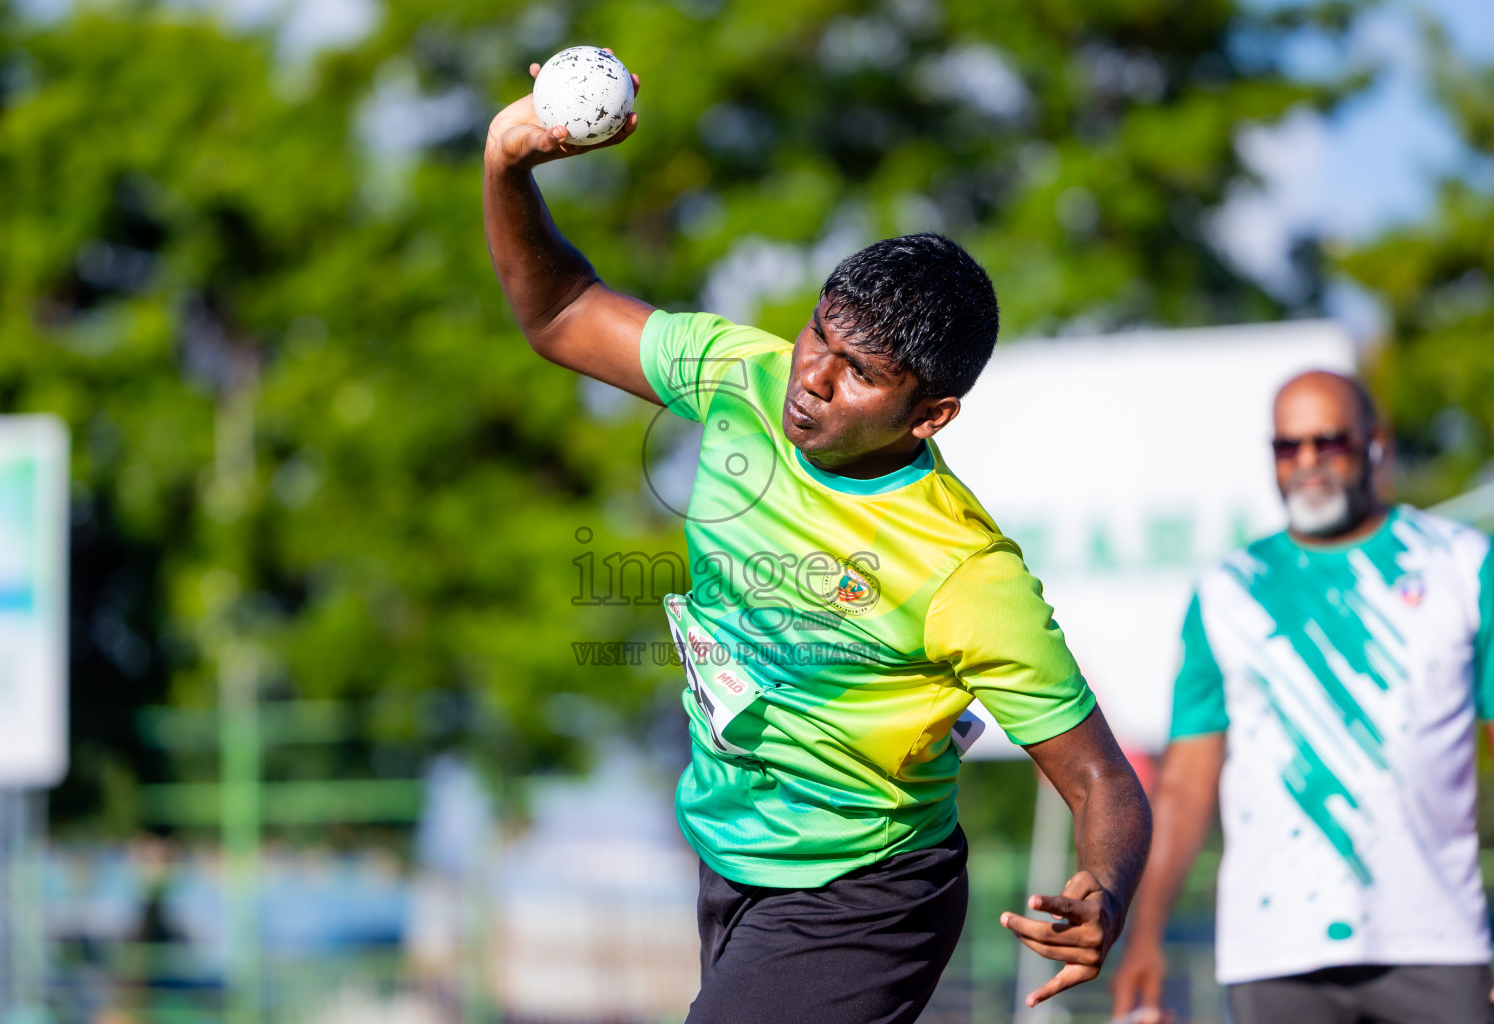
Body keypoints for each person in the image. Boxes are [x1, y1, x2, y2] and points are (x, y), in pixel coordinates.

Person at [484, 58, 1151, 1024]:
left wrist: (1105, 890)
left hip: (871, 893)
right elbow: (557, 314)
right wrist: (508, 165)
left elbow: (1100, 778)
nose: (814, 378)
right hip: (732, 855)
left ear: (932, 415)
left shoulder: (963, 570)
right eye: (817, 336)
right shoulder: (739, 377)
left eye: (860, 372)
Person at [1110, 371, 1494, 1024]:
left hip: (1439, 940)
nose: (1308, 464)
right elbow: (1186, 784)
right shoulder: (1228, 590)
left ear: (1374, 443)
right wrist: (1145, 935)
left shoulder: (1462, 565)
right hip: (1275, 948)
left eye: (1328, 443)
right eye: (1288, 448)